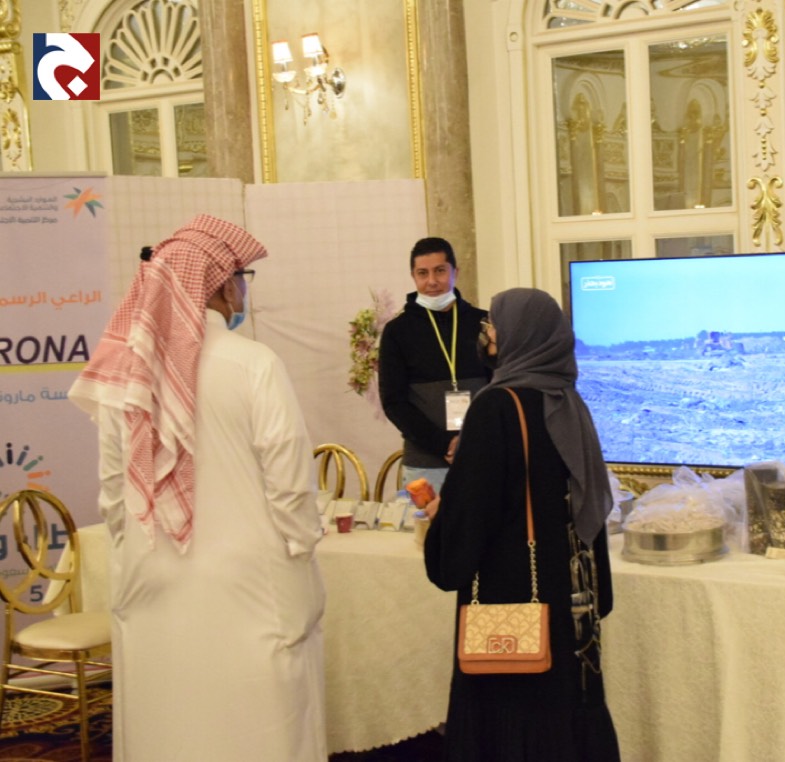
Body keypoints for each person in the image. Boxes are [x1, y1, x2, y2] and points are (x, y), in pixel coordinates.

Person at [68, 215, 327, 761]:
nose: (244, 292)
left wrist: (136, 551)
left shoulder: (127, 373)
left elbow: (113, 493)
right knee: (260, 729)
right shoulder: (255, 364)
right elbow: (289, 487)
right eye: (242, 278)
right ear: (224, 284)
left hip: (152, 575)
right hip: (249, 583)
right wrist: (302, 548)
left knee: (167, 724)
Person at [422, 288, 621, 762]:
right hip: (572, 620)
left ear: (519, 335)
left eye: (493, 325)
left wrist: (439, 518)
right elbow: (589, 510)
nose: (488, 335)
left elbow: (468, 523)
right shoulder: (570, 403)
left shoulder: (496, 407)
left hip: (512, 612)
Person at [379, 237, 489, 493]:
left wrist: (473, 440)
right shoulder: (397, 331)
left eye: (440, 271)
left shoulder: (483, 322)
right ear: (413, 276)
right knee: (427, 521)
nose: (432, 281)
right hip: (425, 464)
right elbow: (394, 402)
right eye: (422, 273)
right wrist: (444, 444)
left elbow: (498, 387)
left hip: (483, 455)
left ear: (455, 272)